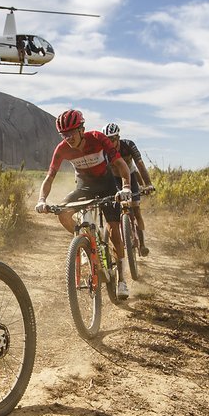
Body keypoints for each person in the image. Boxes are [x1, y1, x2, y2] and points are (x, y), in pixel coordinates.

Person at [35, 109, 133, 298]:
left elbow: (121, 164)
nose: (68, 138)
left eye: (72, 132)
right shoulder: (62, 149)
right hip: (84, 187)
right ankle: (86, 244)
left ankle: (121, 280)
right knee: (62, 213)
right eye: (64, 134)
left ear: (82, 129)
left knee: (114, 231)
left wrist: (126, 187)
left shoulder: (98, 138)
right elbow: (49, 178)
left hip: (106, 185)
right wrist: (42, 200)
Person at [102, 122, 153, 256]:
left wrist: (148, 183)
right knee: (115, 208)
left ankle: (142, 245)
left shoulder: (128, 145)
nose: (110, 142)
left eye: (112, 139)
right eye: (107, 140)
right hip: (114, 179)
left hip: (130, 176)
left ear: (118, 137)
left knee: (136, 210)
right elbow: (102, 171)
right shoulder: (104, 150)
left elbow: (140, 164)